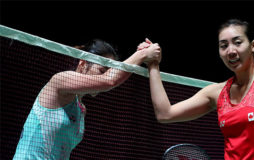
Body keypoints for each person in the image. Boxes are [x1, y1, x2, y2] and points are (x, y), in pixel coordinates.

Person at [143, 19, 254, 160]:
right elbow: (165, 114)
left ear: (253, 45)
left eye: (237, 42)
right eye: (224, 46)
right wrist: (153, 66)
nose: (231, 51)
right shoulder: (216, 93)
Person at [13, 38, 161, 159]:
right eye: (103, 70)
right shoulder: (60, 80)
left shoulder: (81, 109)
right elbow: (109, 81)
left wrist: (141, 55)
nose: (107, 74)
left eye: (110, 71)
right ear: (83, 64)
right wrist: (141, 55)